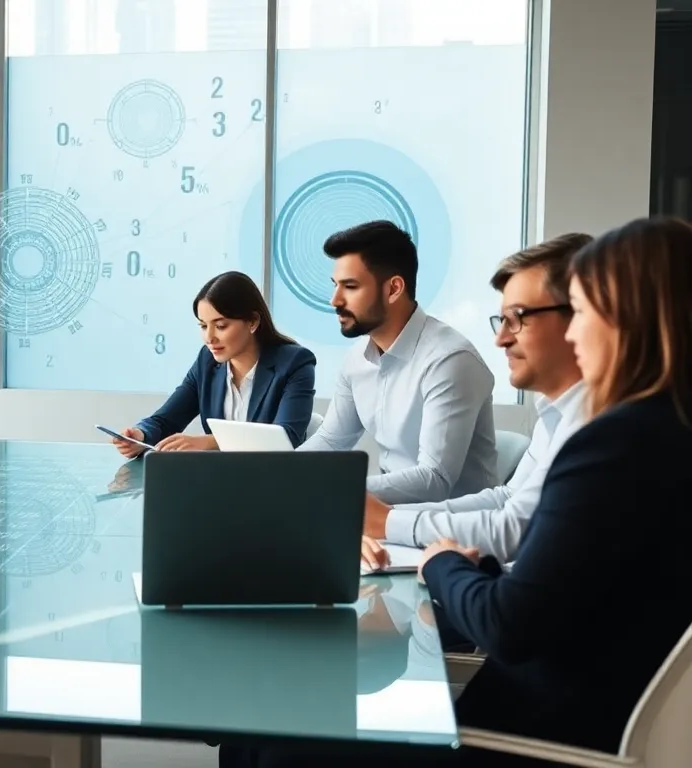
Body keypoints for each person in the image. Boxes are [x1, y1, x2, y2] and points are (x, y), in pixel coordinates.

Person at [227, 216, 692, 767]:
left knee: (275, 733)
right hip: (534, 696)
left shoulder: (613, 441)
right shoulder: (646, 433)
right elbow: (563, 573)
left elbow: (512, 622)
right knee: (274, 715)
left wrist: (442, 562)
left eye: (583, 313)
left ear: (626, 319)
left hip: (524, 737)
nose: (571, 332)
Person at [361, 234, 590, 568]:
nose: (501, 339)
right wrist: (386, 516)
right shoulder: (556, 413)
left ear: (581, 318)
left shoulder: (595, 422)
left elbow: (512, 531)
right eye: (502, 321)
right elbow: (506, 499)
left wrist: (387, 522)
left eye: (517, 318)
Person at [296, 221, 497, 505]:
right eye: (335, 286)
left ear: (393, 289)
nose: (334, 300)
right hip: (387, 521)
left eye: (350, 286)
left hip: (453, 531)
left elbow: (434, 481)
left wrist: (335, 488)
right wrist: (279, 474)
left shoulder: (449, 360)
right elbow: (332, 440)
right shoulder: (356, 359)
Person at [113, 271, 316, 456]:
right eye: (203, 326)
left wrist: (212, 442)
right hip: (219, 479)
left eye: (220, 326)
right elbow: (167, 419)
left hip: (274, 482)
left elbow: (287, 438)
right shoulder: (207, 362)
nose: (209, 337)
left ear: (253, 321)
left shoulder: (295, 363)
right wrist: (140, 435)